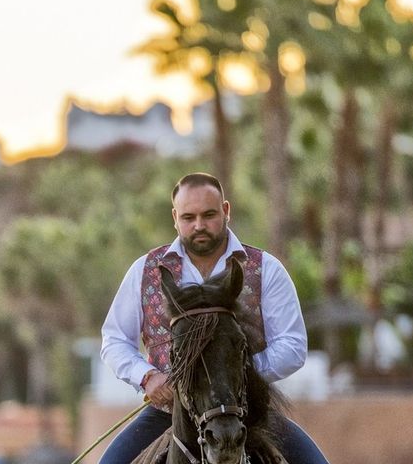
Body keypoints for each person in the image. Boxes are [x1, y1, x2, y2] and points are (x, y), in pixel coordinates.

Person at [99, 172, 329, 464]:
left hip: (247, 413)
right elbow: (114, 340)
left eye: (208, 215)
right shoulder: (144, 270)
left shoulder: (266, 269)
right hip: (168, 413)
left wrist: (235, 375)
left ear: (226, 211)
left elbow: (293, 344)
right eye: (188, 217)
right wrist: (147, 377)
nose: (199, 226)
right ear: (175, 217)